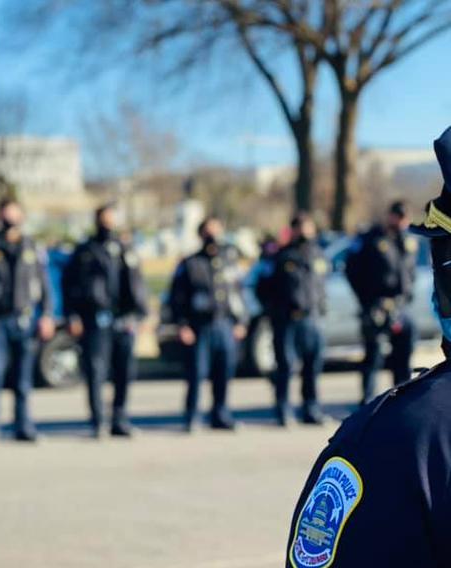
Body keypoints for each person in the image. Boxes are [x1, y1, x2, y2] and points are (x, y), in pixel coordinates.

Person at [285, 125, 451, 568]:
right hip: (369, 316)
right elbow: (356, 276)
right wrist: (373, 305)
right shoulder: (367, 244)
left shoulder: (389, 441)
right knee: (367, 366)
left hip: (397, 321)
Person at [0, 198, 55, 444]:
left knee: (23, 378)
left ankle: (23, 425)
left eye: (14, 214)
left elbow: (44, 284)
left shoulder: (32, 247)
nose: (11, 219)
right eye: (6, 214)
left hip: (25, 320)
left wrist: (47, 314)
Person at [62, 203, 148, 438]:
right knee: (96, 371)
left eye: (113, 217)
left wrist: (140, 313)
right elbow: (69, 286)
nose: (109, 222)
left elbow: (138, 283)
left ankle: (120, 419)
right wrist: (73, 315)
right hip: (95, 318)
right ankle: (98, 420)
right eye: (105, 217)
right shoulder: (85, 251)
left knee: (125, 372)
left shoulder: (125, 249)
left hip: (124, 320)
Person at [168, 216, 247, 432]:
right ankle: (192, 416)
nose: (213, 235)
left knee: (224, 372)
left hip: (225, 325)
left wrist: (241, 321)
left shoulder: (229, 262)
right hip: (199, 326)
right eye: (208, 230)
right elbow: (177, 298)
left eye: (217, 229)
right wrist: (182, 325)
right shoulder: (190, 263)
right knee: (197, 373)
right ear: (201, 234)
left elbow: (238, 294)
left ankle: (220, 414)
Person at [256, 213, 327, 426]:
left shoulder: (318, 255)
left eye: (309, 227)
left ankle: (311, 409)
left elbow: (321, 286)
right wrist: (274, 311)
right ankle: (283, 409)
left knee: (312, 367)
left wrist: (321, 307)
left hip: (312, 319)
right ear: (294, 230)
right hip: (287, 320)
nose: (306, 232)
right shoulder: (281, 257)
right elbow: (262, 288)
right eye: (302, 228)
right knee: (286, 366)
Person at [345, 200, 418, 404]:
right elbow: (352, 270)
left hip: (400, 307)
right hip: (376, 307)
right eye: (399, 217)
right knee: (373, 356)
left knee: (403, 356)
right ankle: (368, 401)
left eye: (405, 218)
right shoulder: (371, 238)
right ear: (390, 216)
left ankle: (402, 398)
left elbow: (409, 273)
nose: (402, 222)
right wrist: (366, 301)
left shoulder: (406, 241)